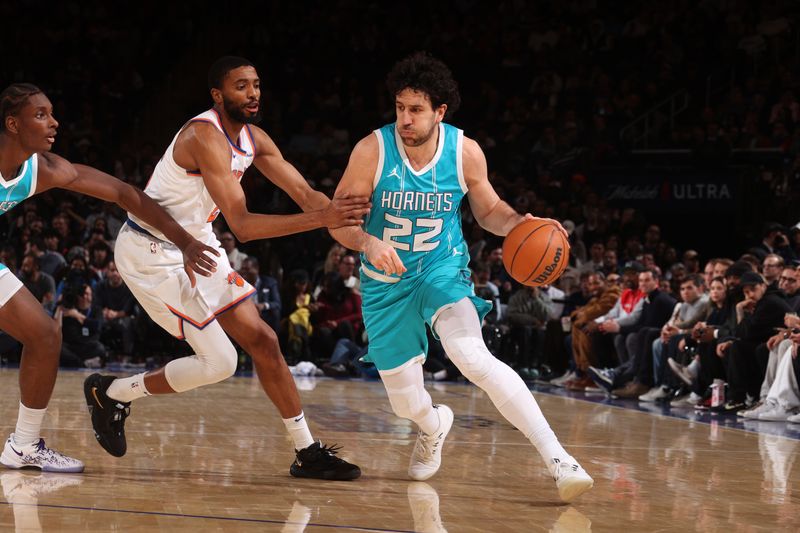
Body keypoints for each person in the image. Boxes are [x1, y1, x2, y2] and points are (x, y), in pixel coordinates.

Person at [83, 57, 368, 480]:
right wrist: (322, 219)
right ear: (218, 95)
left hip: (200, 244)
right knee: (221, 362)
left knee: (265, 340)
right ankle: (112, 391)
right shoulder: (203, 136)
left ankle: (307, 452)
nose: (252, 93)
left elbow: (307, 195)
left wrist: (358, 231)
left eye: (256, 84)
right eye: (240, 86)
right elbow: (245, 227)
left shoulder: (256, 140)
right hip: (152, 250)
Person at [329, 52, 592, 501]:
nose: (405, 119)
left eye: (416, 110)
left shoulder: (463, 151)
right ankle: (433, 424)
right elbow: (338, 220)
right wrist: (369, 243)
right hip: (384, 280)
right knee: (403, 403)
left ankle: (560, 460)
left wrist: (520, 225)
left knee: (472, 355)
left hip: (440, 268)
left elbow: (488, 210)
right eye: (400, 108)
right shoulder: (371, 150)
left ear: (440, 111)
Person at [0, 82, 218, 473]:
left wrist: (184, 240)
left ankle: (24, 446)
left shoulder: (44, 169)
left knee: (45, 335)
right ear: (12, 124)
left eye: (51, 112)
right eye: (40, 115)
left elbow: (124, 193)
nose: (54, 122)